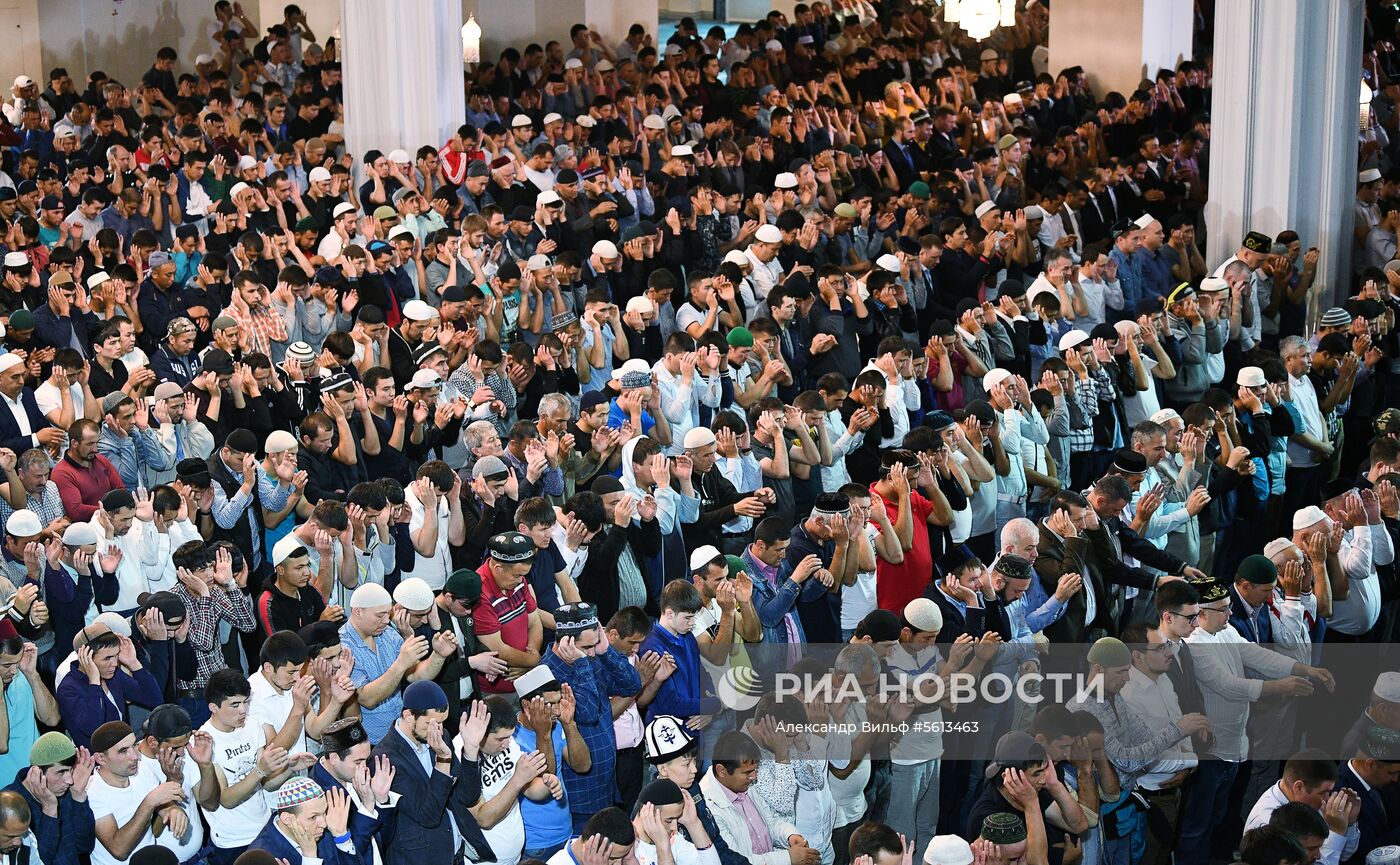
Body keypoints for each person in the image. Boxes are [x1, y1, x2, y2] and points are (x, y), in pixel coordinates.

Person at [4, 731, 95, 865]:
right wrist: (50, 811)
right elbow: (39, 861)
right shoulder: (9, 806)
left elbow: (84, 847)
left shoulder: (64, 791)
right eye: (61, 772)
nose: (69, 780)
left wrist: (78, 796)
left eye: (70, 770)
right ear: (37, 771)